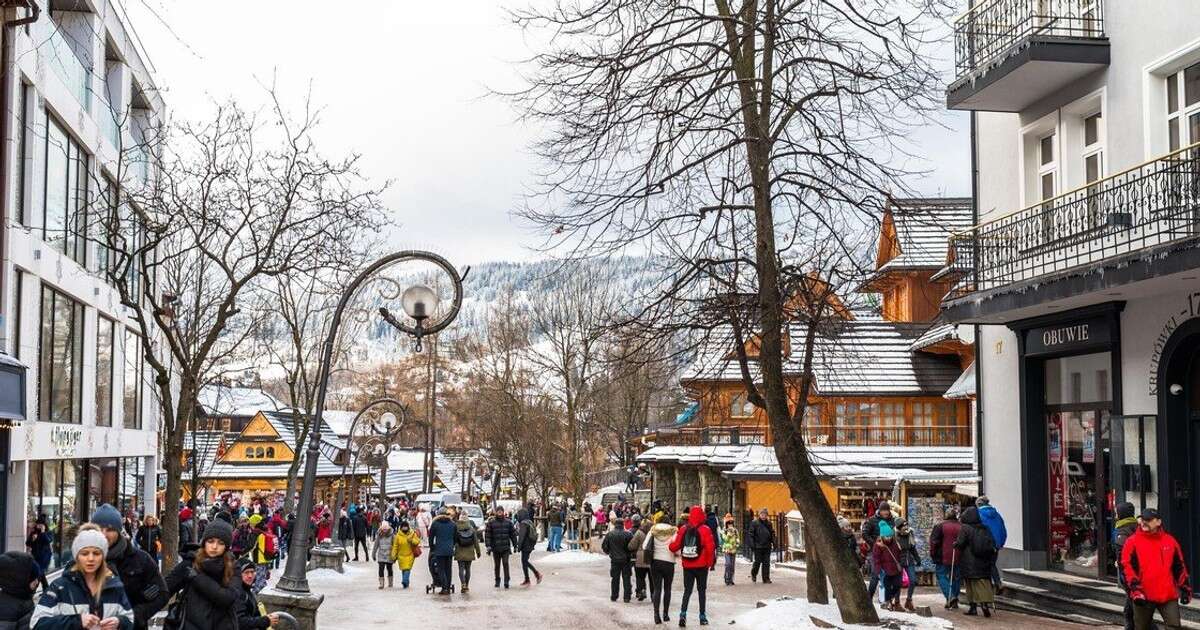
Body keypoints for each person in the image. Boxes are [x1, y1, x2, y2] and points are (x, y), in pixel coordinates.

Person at [30, 524, 135, 630]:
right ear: (77, 556)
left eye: (96, 553)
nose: (90, 558)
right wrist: (77, 621)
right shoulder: (59, 587)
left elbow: (130, 621)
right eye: (84, 553)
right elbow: (37, 624)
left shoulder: (115, 587)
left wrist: (120, 622)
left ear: (103, 557)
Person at [91, 505, 168, 630]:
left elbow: (162, 595)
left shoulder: (140, 559)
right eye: (99, 529)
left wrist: (132, 617)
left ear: (119, 530)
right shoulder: (81, 560)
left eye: (109, 529)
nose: (103, 534)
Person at [164, 519, 242, 630]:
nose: (214, 547)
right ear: (204, 542)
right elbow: (165, 589)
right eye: (211, 541)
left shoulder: (233, 566)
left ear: (226, 546)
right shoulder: (190, 562)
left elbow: (228, 598)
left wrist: (197, 578)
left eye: (220, 543)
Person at [1121, 508, 1191, 630]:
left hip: (1167, 594)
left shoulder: (1170, 541)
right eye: (1142, 519)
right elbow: (1127, 567)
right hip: (1143, 595)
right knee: (1142, 627)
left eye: (1148, 520)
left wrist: (1185, 588)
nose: (1143, 522)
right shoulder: (1132, 542)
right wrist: (1136, 591)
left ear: (1158, 522)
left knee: (1174, 626)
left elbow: (1179, 567)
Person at [670, 506, 716, 627]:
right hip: (702, 566)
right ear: (702, 515)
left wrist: (670, 545)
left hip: (688, 566)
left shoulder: (684, 528)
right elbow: (711, 548)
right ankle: (702, 617)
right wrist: (710, 563)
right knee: (702, 591)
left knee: (687, 591)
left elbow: (674, 546)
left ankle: (683, 614)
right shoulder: (705, 529)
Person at [955, 506, 997, 618]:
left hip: (969, 561)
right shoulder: (985, 528)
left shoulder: (965, 528)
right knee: (983, 583)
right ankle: (984, 605)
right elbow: (991, 542)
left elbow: (960, 543)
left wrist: (956, 544)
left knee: (970, 584)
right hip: (983, 560)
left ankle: (973, 607)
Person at [644, 517, 679, 626]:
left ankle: (656, 615)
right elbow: (677, 549)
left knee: (657, 589)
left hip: (655, 562)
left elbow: (645, 545)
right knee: (667, 589)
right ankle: (666, 614)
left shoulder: (653, 530)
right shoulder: (673, 532)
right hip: (669, 562)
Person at [1112, 502, 1140, 630]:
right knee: (1131, 609)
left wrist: (1120, 563)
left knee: (1132, 611)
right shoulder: (1138, 527)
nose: (1115, 514)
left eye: (1117, 512)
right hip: (1141, 573)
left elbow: (1122, 554)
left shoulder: (1122, 531)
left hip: (1130, 576)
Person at [929, 506, 962, 610]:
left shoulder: (940, 526)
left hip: (942, 556)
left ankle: (950, 596)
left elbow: (933, 542)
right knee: (956, 577)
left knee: (941, 576)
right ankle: (954, 598)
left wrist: (933, 554)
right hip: (959, 556)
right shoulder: (962, 526)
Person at [862, 500, 896, 602]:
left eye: (887, 510)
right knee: (875, 575)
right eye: (883, 510)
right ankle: (869, 598)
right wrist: (874, 544)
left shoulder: (892, 520)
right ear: (880, 511)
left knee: (887, 575)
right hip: (875, 552)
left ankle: (886, 600)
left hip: (888, 551)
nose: (885, 512)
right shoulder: (872, 520)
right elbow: (865, 533)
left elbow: (894, 535)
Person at [0, 551, 41, 630]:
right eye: (33, 579)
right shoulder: (9, 609)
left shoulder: (23, 597)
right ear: (20, 581)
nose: (37, 582)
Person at [234, 559, 278, 629]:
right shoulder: (237, 592)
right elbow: (239, 622)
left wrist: (267, 619)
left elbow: (255, 614)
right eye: (246, 572)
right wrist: (265, 621)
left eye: (252, 572)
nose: (250, 576)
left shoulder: (246, 589)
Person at [975, 496, 1006, 593]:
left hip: (984, 544)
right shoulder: (997, 515)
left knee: (983, 565)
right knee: (992, 564)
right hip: (995, 545)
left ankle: (988, 588)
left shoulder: (979, 514)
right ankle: (997, 583)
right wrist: (1000, 544)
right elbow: (1003, 530)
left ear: (979, 504)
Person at [872, 522, 904, 611]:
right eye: (887, 536)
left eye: (890, 536)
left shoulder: (895, 542)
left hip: (896, 568)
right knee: (887, 587)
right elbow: (876, 558)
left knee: (898, 585)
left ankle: (887, 601)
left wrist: (901, 563)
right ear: (882, 536)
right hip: (885, 570)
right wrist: (878, 571)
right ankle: (888, 602)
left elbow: (900, 554)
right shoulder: (878, 545)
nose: (889, 538)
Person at [602, 517, 635, 603]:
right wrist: (629, 553)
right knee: (626, 578)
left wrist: (610, 552)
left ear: (615, 524)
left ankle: (614, 596)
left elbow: (604, 547)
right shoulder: (628, 534)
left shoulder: (610, 534)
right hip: (626, 559)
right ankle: (627, 597)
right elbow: (632, 546)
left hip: (615, 560)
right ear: (623, 524)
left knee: (615, 579)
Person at [485, 507, 518, 589]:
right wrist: (488, 546)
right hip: (495, 548)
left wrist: (515, 545)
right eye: (498, 511)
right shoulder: (491, 523)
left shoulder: (508, 522)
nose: (499, 513)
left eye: (501, 511)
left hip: (505, 547)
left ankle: (506, 580)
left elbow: (513, 534)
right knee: (497, 565)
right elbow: (488, 535)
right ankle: (497, 580)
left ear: (503, 512)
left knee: (505, 563)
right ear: (496, 512)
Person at [428, 508, 457, 595]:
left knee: (441, 569)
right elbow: (455, 537)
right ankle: (447, 588)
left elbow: (431, 537)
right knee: (448, 569)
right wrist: (452, 545)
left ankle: (444, 587)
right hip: (449, 550)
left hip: (439, 549)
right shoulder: (453, 524)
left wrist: (432, 547)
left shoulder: (435, 524)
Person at [894, 518, 921, 612]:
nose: (906, 527)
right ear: (899, 527)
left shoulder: (910, 534)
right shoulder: (895, 536)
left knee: (913, 580)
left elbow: (912, 548)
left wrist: (917, 559)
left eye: (906, 525)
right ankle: (896, 602)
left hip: (909, 560)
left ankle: (909, 601)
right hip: (898, 561)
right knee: (898, 582)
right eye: (904, 525)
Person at [453, 510, 482, 593]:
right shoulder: (471, 528)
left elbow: (454, 540)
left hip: (459, 550)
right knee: (468, 569)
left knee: (461, 569)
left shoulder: (456, 527)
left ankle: (463, 584)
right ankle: (467, 585)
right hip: (469, 551)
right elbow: (476, 541)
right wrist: (478, 552)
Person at [246, 515, 273, 593]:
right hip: (267, 557)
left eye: (251, 523)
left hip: (259, 558)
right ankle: (263, 591)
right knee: (262, 577)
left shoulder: (255, 532)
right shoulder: (266, 530)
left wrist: (242, 554)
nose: (250, 525)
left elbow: (251, 546)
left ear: (254, 523)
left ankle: (257, 596)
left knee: (258, 578)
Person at [515, 509, 542, 586]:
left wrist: (518, 547)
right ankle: (527, 579)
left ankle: (536, 574)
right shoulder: (530, 522)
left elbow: (521, 537)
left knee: (525, 561)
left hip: (525, 546)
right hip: (530, 545)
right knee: (524, 562)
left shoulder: (523, 524)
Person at [747, 508, 774, 584]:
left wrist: (773, 542)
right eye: (762, 514)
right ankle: (754, 573)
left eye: (765, 514)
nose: (763, 515)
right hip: (758, 546)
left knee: (766, 563)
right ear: (759, 515)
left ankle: (766, 578)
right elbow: (751, 534)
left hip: (767, 546)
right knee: (757, 562)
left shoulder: (769, 523)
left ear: (766, 515)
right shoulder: (754, 523)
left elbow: (772, 533)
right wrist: (752, 545)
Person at [393, 521, 421, 589]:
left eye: (406, 526)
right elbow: (395, 546)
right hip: (401, 556)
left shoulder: (412, 534)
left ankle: (404, 581)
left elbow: (417, 541)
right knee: (404, 569)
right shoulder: (398, 536)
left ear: (408, 527)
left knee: (407, 569)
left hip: (410, 555)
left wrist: (411, 540)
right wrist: (393, 555)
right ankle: (406, 583)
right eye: (403, 527)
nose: (404, 528)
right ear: (401, 527)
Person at [629, 517, 652, 601]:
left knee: (640, 576)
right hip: (650, 557)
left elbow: (632, 546)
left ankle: (641, 591)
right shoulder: (652, 533)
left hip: (640, 558)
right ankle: (653, 595)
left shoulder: (638, 533)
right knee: (651, 578)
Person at [372, 521, 398, 589]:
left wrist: (395, 555)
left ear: (388, 528)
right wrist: (373, 554)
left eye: (386, 529)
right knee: (381, 569)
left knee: (389, 569)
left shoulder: (392, 535)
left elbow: (395, 545)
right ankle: (381, 584)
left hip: (389, 555)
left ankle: (390, 582)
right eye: (383, 529)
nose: (385, 530)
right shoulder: (379, 534)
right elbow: (376, 545)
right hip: (381, 555)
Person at [720, 517, 740, 586]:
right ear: (726, 524)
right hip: (727, 550)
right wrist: (728, 534)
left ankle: (731, 579)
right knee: (728, 564)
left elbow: (737, 538)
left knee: (732, 565)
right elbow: (725, 539)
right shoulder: (724, 530)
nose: (730, 525)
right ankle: (727, 578)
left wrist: (737, 542)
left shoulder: (735, 530)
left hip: (733, 549)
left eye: (731, 523)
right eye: (728, 524)